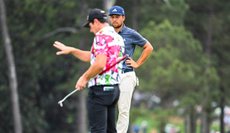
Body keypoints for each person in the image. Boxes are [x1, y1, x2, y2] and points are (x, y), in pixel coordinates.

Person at [53, 8, 125, 133]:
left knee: (98, 130)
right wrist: (73, 50)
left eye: (90, 26)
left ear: (96, 21)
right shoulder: (117, 36)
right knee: (110, 131)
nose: (91, 30)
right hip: (113, 91)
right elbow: (95, 58)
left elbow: (100, 64)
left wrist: (84, 78)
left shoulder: (100, 36)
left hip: (100, 91)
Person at [109, 6, 153, 133]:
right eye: (112, 17)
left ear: (123, 18)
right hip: (111, 75)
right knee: (108, 106)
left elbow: (148, 47)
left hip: (126, 75)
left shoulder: (131, 33)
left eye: (117, 17)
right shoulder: (107, 34)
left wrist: (137, 63)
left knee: (123, 108)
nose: (115, 19)